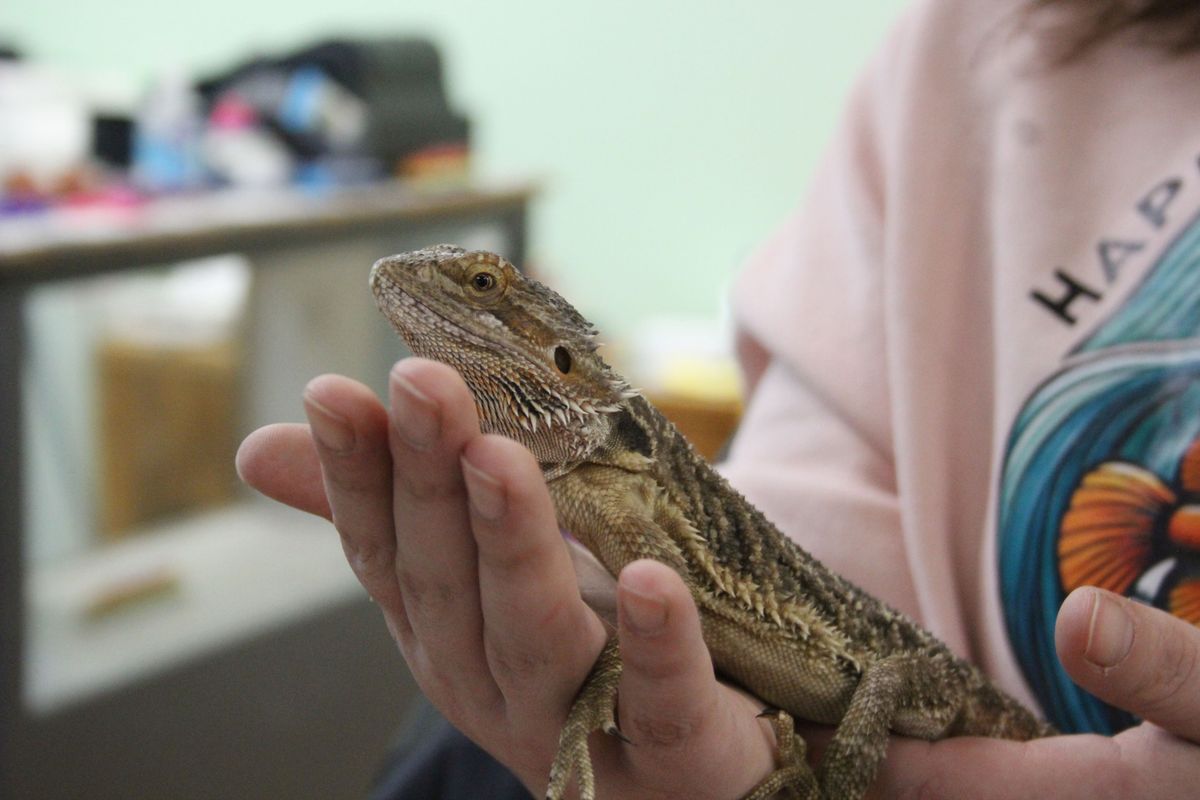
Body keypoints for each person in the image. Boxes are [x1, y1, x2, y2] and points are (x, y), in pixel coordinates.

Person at [237, 0, 1200, 795]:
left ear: (562, 362)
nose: (451, 293)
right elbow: (772, 519)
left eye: (486, 288)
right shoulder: (988, 40)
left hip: (898, 683)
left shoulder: (618, 483)